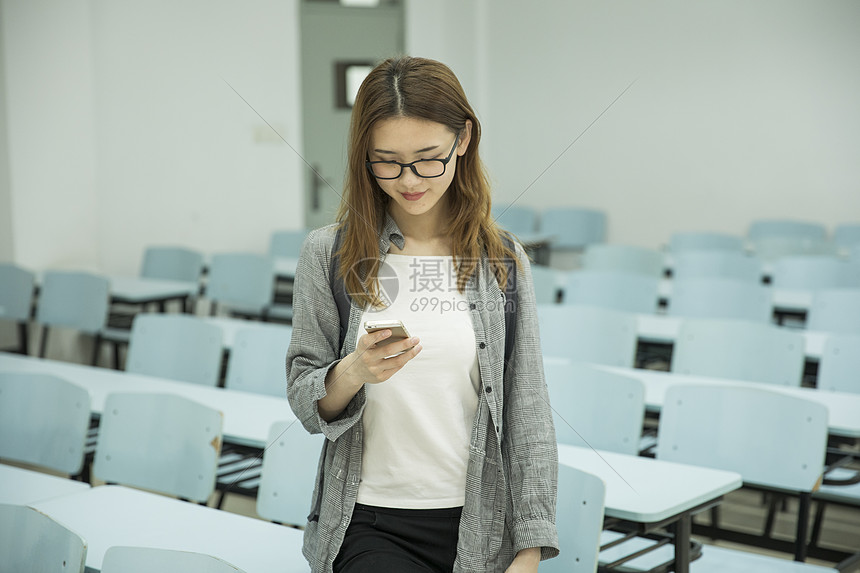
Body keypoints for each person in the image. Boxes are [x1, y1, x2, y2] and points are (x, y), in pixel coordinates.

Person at [286, 55, 558, 573]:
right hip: (368, 523)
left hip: (481, 525)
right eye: (386, 160)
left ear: (465, 139)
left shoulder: (502, 260)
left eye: (428, 158)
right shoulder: (328, 254)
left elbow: (528, 410)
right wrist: (352, 372)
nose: (408, 180)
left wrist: (529, 549)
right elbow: (305, 398)